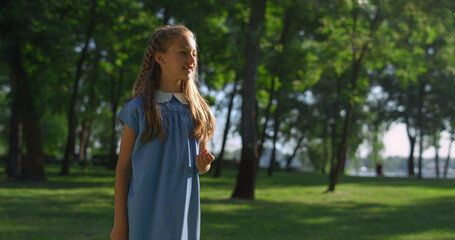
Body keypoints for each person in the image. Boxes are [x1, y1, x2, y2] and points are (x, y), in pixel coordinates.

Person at [110, 25, 216, 240]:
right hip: (143, 210)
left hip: (182, 213)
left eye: (194, 54)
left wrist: (203, 164)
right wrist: (120, 222)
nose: (191, 59)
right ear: (160, 58)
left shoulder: (199, 111)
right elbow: (123, 167)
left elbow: (202, 166)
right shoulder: (139, 109)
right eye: (183, 53)